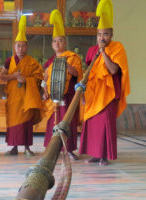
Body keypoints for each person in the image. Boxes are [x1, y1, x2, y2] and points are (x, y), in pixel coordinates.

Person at [79, 0, 130, 166]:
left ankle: (104, 156)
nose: (102, 38)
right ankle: (94, 154)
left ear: (112, 34)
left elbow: (114, 70)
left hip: (108, 94)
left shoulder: (117, 48)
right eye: (99, 34)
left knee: (105, 126)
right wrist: (83, 92)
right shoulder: (91, 51)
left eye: (106, 34)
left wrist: (103, 52)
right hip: (94, 93)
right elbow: (88, 72)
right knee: (93, 126)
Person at [0, 15, 43, 156]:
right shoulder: (9, 61)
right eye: (18, 45)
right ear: (14, 46)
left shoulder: (32, 62)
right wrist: (13, 77)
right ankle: (13, 148)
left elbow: (39, 78)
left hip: (27, 98)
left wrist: (27, 80)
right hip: (13, 98)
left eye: (23, 45)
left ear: (27, 47)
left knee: (26, 123)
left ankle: (26, 148)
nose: (20, 48)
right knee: (13, 122)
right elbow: (2, 76)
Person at [43, 9, 83, 160]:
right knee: (53, 121)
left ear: (65, 42)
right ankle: (52, 150)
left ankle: (69, 149)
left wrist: (69, 68)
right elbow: (44, 78)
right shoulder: (50, 60)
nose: (57, 43)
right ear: (52, 44)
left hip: (67, 97)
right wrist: (44, 89)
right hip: (53, 97)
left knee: (68, 121)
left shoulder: (72, 57)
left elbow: (78, 75)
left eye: (60, 40)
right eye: (55, 41)